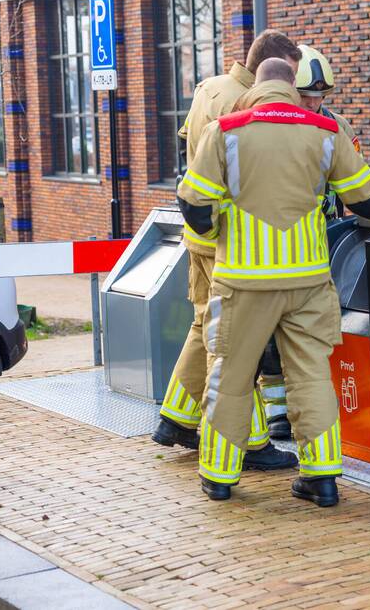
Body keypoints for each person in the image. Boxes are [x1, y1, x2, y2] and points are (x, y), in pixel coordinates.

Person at [178, 58, 370, 506]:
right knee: (311, 375)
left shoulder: (225, 131)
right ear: (293, 87)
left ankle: (219, 477)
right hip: (308, 281)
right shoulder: (325, 132)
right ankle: (322, 477)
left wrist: (220, 233)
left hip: (244, 282)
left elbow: (194, 203)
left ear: (255, 85)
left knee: (231, 376)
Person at [152, 31, 301, 471]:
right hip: (231, 243)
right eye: (289, 74)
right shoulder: (247, 104)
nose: (291, 85)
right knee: (239, 344)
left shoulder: (209, 88)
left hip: (199, 236)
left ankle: (176, 418)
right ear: (268, 67)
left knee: (204, 325)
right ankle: (251, 443)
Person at [256, 44, 364, 439]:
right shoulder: (268, 128)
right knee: (271, 332)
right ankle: (278, 410)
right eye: (306, 97)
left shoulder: (337, 128)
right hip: (276, 247)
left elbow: (358, 180)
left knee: (316, 330)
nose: (314, 105)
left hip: (324, 244)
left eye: (321, 97)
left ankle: (317, 406)